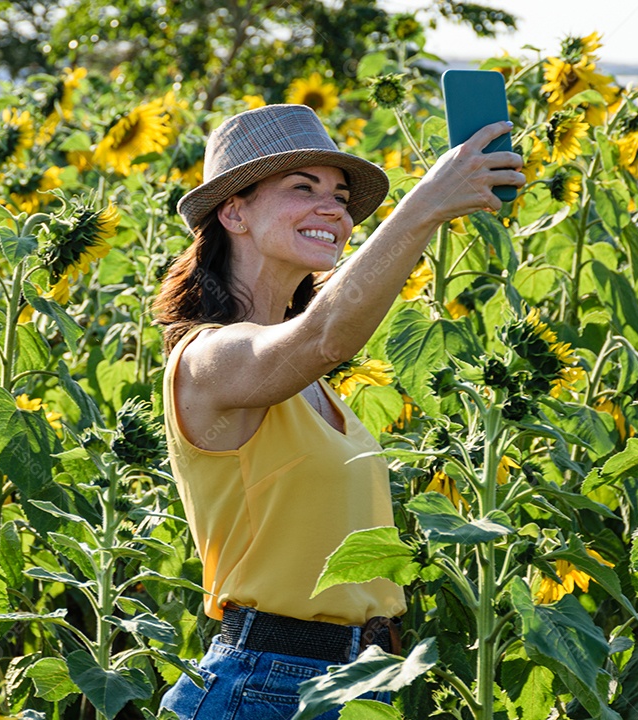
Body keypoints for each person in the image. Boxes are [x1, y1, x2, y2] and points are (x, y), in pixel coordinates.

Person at [153, 103, 525, 719]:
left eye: (342, 196)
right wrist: (426, 204)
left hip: (360, 684)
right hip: (264, 685)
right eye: (304, 187)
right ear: (233, 210)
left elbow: (325, 328)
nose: (336, 209)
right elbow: (325, 335)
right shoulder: (208, 359)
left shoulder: (317, 387)